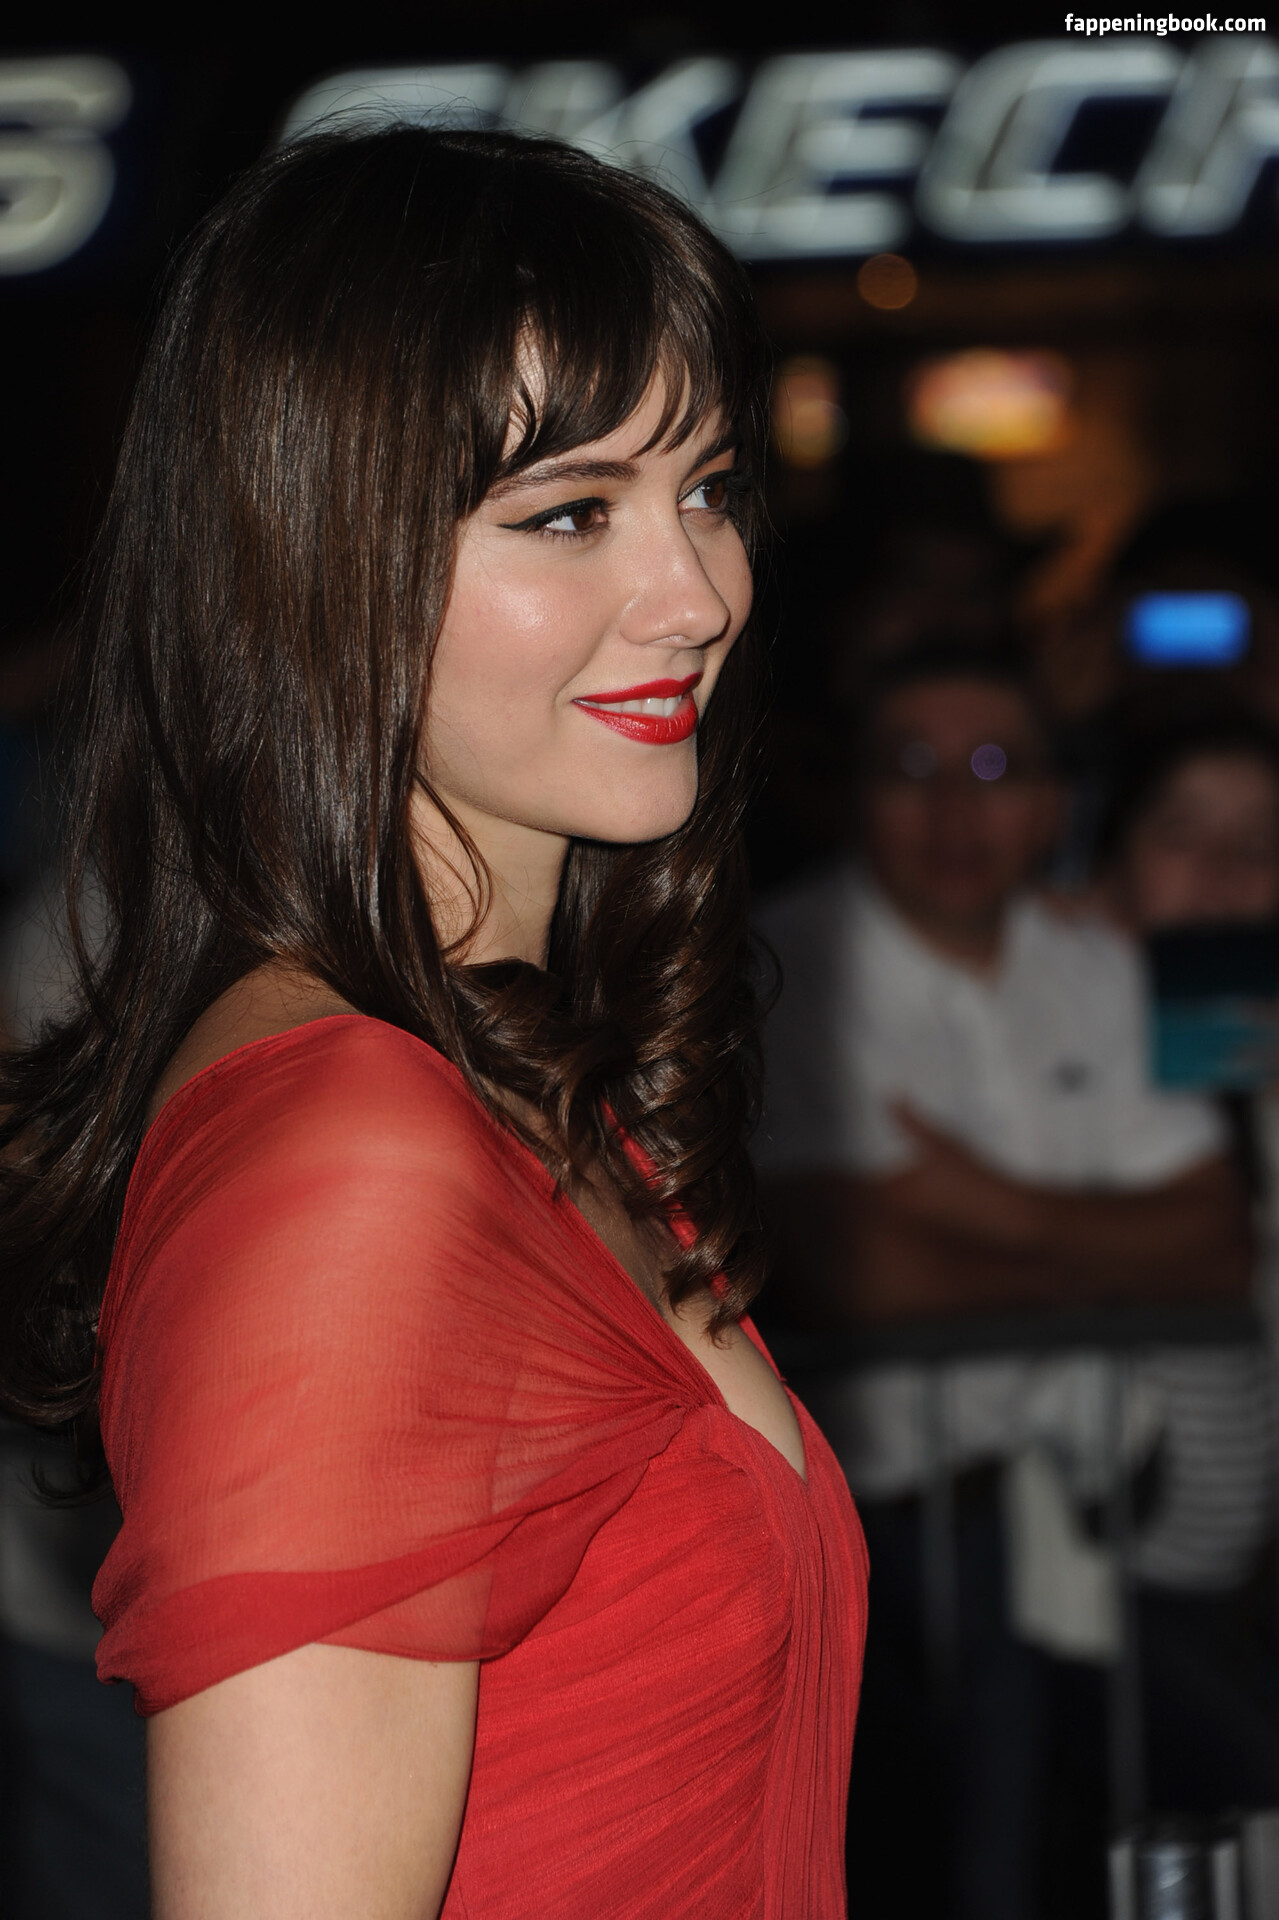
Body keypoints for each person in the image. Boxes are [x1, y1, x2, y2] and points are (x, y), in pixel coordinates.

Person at [0, 128, 867, 1919]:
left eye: (707, 489)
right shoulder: (356, 1154)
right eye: (568, 513)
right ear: (314, 556)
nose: (697, 595)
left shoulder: (515, 1079)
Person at [755, 646, 1250, 1920]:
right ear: (851, 795)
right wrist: (1109, 1253)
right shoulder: (784, 966)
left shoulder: (1092, 964)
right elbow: (852, 1277)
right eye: (911, 768)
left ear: (1048, 804)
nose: (953, 808)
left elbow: (1213, 1241)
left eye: (991, 767)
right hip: (882, 1518)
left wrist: (977, 1203)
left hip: (1107, 1493)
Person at [1096, 712, 1279, 1814]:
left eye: (1258, 843)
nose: (1220, 872)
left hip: (1242, 1568)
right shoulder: (1045, 1021)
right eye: (1180, 833)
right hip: (1097, 1569)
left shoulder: (1247, 1046)